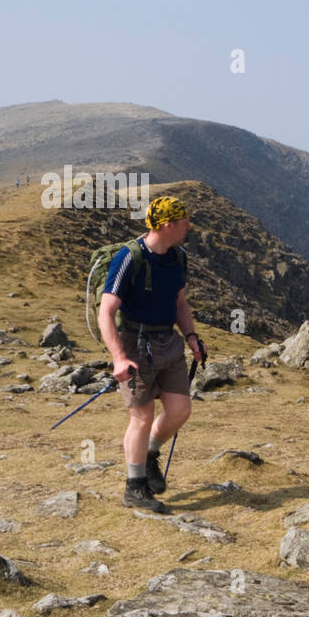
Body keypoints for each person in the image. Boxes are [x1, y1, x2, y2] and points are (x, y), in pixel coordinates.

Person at [99, 195, 205, 512]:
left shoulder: (178, 257)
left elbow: (179, 303)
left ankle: (150, 453)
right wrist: (119, 357)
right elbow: (106, 312)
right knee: (142, 416)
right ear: (168, 225)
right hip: (135, 343)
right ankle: (135, 487)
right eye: (184, 221)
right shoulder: (129, 257)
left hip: (168, 342)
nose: (188, 226)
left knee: (180, 411)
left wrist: (190, 336)